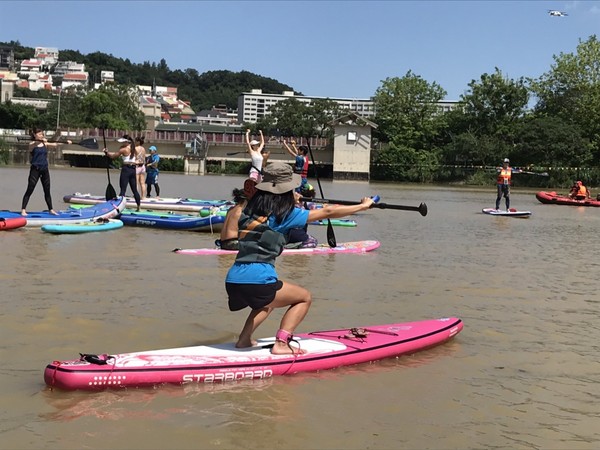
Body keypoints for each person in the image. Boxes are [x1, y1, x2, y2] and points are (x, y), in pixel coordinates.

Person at [225, 162, 374, 355]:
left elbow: (269, 212)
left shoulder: (248, 212)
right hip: (258, 280)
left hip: (233, 280)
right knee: (304, 297)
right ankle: (281, 343)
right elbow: (327, 212)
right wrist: (363, 206)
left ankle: (244, 340)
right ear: (287, 190)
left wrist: (288, 201)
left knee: (268, 302)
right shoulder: (286, 215)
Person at [21, 128, 72, 216]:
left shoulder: (45, 143)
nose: (42, 135)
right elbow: (33, 145)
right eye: (40, 134)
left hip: (44, 169)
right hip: (35, 169)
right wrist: (39, 141)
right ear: (35, 135)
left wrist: (66, 142)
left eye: (42, 134)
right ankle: (23, 210)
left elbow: (55, 145)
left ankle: (51, 209)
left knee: (47, 190)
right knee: (30, 189)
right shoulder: (32, 144)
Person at [103, 135, 141, 211]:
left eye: (123, 142)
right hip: (133, 170)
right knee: (135, 190)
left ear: (127, 142)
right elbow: (137, 159)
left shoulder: (123, 149)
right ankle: (138, 207)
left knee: (123, 189)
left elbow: (113, 156)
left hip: (126, 169)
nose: (122, 143)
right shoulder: (134, 149)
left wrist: (106, 152)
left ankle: (120, 207)